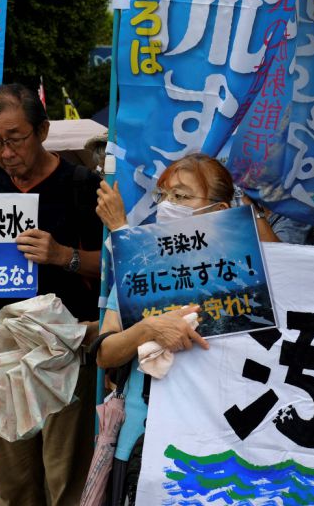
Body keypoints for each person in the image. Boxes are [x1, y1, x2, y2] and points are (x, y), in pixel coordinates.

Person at [94, 153, 279, 503]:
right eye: (164, 196)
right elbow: (105, 353)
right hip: (142, 438)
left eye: (181, 197)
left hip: (219, 443)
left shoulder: (244, 277)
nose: (167, 206)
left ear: (218, 208)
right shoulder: (143, 267)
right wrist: (147, 329)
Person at [0, 83, 101, 505]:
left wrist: (64, 256)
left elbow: (115, 267)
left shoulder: (81, 185)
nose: (6, 152)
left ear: (42, 132)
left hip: (64, 351)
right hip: (3, 354)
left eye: (15, 139)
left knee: (65, 478)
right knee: (14, 478)